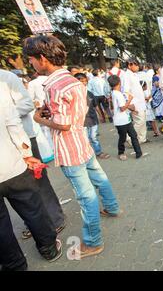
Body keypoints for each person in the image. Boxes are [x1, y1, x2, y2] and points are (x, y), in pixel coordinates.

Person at [24, 35, 120, 258]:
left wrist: (40, 120)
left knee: (86, 197)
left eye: (31, 59)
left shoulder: (55, 86)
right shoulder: (72, 81)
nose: (30, 63)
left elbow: (64, 124)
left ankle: (93, 242)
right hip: (82, 142)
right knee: (99, 178)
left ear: (42, 58)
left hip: (69, 149)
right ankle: (113, 207)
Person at [0, 69, 66, 240]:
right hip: (5, 147)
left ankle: (55, 219)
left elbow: (27, 104)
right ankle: (36, 225)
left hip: (24, 139)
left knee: (38, 182)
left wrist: (5, 114)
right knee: (19, 192)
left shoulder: (7, 78)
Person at [0, 104, 63, 271]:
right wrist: (27, 155)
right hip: (12, 166)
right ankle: (49, 249)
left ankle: (14, 265)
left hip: (12, 166)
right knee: (33, 210)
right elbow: (14, 127)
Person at [75, 73, 110, 160]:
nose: (83, 83)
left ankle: (98, 152)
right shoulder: (74, 95)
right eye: (80, 81)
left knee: (93, 137)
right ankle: (87, 155)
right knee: (85, 138)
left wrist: (101, 115)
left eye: (84, 81)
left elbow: (95, 105)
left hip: (93, 118)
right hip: (82, 121)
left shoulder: (89, 93)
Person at [108, 75, 143, 160]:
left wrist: (132, 109)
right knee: (123, 137)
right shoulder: (117, 94)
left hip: (124, 119)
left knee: (133, 135)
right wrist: (130, 99)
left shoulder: (115, 93)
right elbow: (122, 108)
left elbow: (122, 106)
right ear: (119, 82)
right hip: (121, 121)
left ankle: (138, 152)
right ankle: (121, 152)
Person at [124, 59, 148, 144]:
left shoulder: (134, 75)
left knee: (143, 120)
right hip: (135, 103)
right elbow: (126, 91)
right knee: (139, 121)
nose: (138, 66)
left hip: (140, 101)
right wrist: (131, 104)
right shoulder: (126, 75)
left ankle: (142, 138)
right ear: (129, 65)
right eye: (136, 65)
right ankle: (130, 138)